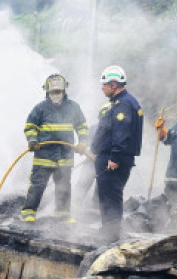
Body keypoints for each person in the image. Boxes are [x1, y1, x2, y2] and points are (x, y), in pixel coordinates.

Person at [20, 74, 89, 223]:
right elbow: (30, 126)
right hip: (44, 154)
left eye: (58, 92)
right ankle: (28, 213)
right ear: (47, 92)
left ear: (64, 91)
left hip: (65, 154)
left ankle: (62, 214)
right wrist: (32, 139)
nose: (56, 95)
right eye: (53, 92)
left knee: (64, 184)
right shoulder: (40, 108)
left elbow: (82, 126)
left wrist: (83, 141)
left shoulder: (74, 107)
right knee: (38, 185)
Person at [90, 66, 143, 241]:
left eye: (104, 85)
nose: (102, 88)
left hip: (112, 159)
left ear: (114, 85)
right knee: (107, 196)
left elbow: (122, 132)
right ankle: (108, 231)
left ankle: (110, 235)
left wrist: (115, 157)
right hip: (109, 157)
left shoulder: (123, 104)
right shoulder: (122, 102)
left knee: (110, 197)